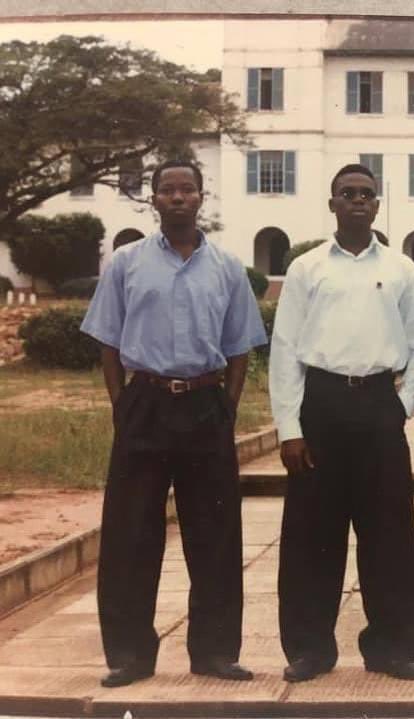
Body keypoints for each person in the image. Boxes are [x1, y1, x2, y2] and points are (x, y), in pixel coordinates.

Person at [81, 160, 267, 688]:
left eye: (188, 189)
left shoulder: (227, 268)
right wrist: (123, 405)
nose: (178, 197)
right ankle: (129, 655)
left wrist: (227, 408)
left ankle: (213, 652)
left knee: (215, 532)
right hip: (145, 403)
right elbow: (109, 344)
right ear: (154, 200)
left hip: (206, 404)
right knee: (131, 534)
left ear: (201, 197)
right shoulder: (126, 263)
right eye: (168, 190)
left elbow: (238, 349)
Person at [269, 164, 414, 683]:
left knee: (389, 533)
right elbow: (286, 350)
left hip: (380, 405)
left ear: (378, 205)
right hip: (321, 405)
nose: (358, 201)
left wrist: (401, 409)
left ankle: (393, 648)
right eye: (347, 193)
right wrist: (289, 428)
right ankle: (309, 649)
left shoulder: (403, 269)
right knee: (311, 535)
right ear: (333, 203)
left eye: (367, 194)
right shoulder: (307, 268)